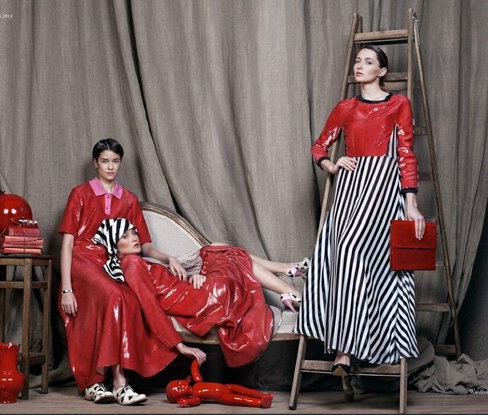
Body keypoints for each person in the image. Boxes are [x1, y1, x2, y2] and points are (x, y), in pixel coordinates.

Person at [295, 45, 422, 375]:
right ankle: (345, 353)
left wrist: (411, 203)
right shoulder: (346, 107)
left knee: (362, 257)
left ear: (382, 71)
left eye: (368, 62)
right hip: (351, 190)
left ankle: (352, 351)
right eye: (357, 60)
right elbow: (319, 145)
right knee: (341, 256)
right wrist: (331, 165)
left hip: (384, 189)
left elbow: (406, 153)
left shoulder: (399, 104)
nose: (359, 66)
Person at [58, 138, 205, 406]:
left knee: (126, 299)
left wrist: (168, 257)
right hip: (82, 261)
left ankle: (114, 383)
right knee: (117, 296)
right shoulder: (80, 194)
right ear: (95, 163)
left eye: (115, 161)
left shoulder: (129, 199)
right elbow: (67, 243)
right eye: (105, 161)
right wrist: (67, 289)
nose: (110, 167)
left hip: (111, 265)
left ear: (120, 163)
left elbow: (144, 246)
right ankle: (110, 382)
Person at [92, 217, 302, 367]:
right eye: (125, 236)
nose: (134, 238)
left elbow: (171, 286)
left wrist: (195, 278)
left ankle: (287, 279)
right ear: (114, 246)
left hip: (198, 295)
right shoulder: (133, 265)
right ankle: (288, 282)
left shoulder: (137, 262)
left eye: (133, 232)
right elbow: (150, 307)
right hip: (205, 302)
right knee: (227, 254)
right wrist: (179, 345)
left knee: (218, 248)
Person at [166, 359, 273, 408]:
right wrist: (187, 402)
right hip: (223, 397)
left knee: (245, 390)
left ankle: (263, 396)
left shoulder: (197, 382)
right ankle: (260, 403)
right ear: (180, 397)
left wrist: (195, 361)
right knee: (240, 399)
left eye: (178, 382)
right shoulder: (195, 396)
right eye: (179, 389)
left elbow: (195, 372)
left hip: (226, 386)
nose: (181, 385)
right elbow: (196, 401)